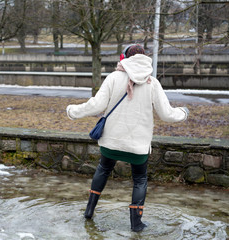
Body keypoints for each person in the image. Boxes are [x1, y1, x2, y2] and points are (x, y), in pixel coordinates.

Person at [66, 44, 189, 232]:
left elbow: (96, 105)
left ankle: (89, 211)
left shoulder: (114, 78)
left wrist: (72, 111)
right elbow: (167, 114)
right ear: (144, 58)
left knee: (103, 169)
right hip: (138, 147)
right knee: (139, 179)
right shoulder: (152, 83)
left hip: (111, 142)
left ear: (124, 58)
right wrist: (183, 113)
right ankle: (136, 224)